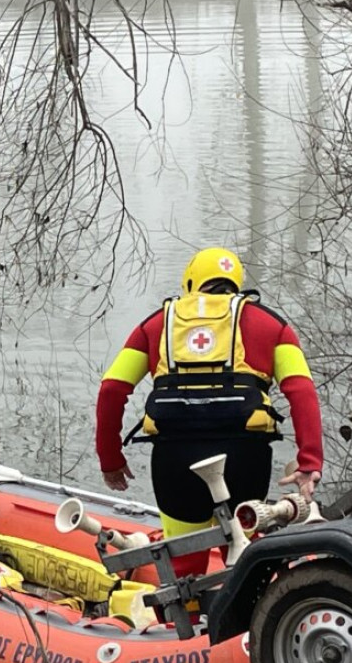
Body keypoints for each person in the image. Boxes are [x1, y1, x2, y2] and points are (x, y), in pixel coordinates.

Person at [95, 247, 323, 577]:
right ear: (236, 284)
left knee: (182, 567)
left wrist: (111, 459)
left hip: (176, 464)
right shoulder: (271, 325)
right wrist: (309, 462)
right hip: (245, 460)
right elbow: (301, 390)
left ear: (190, 282)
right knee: (246, 558)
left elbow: (112, 389)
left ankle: (183, 622)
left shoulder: (157, 324)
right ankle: (250, 623)